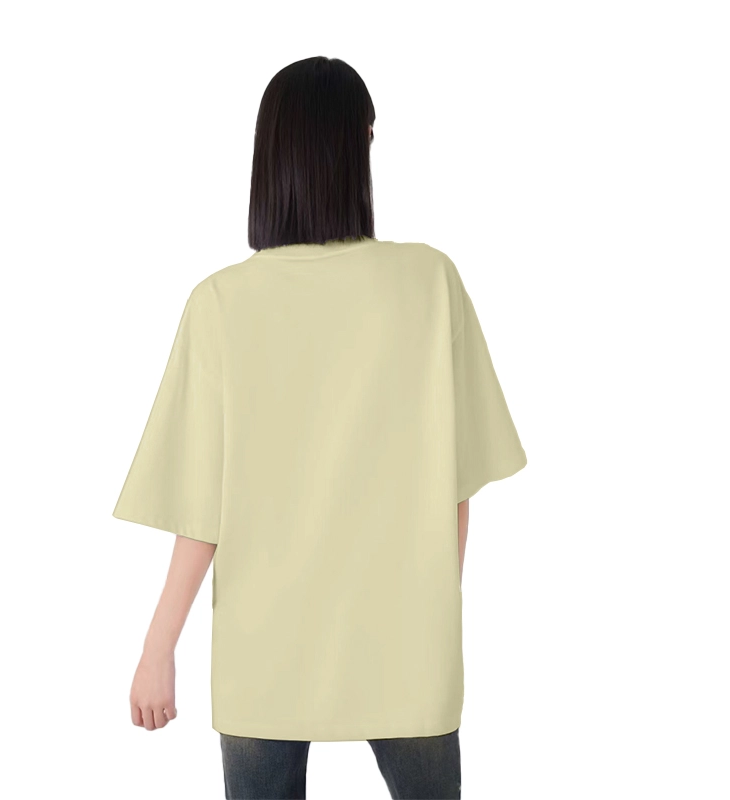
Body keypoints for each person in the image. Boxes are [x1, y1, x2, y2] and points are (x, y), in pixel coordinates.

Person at [112, 55, 527, 800]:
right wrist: (432, 613)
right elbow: (458, 482)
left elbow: (200, 509)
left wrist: (157, 649)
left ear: (270, 155)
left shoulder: (221, 304)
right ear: (357, 147)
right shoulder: (429, 281)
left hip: (263, 652)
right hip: (407, 646)